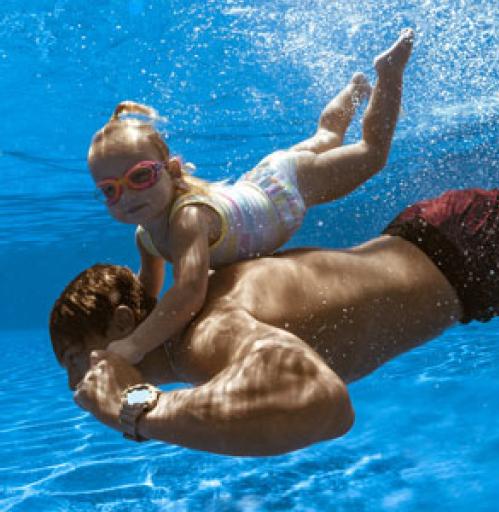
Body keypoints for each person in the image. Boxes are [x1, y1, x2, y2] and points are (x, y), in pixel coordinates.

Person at [50, 62, 499, 456]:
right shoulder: (182, 300)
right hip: (456, 267)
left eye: (81, 361)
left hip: (467, 253)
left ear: (118, 335)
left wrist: (133, 406)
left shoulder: (206, 332)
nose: (82, 384)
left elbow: (319, 404)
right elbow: (160, 282)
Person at [90, 29, 414, 365]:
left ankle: (389, 73)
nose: (126, 196)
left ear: (172, 170)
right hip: (264, 177)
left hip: (286, 189)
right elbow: (148, 293)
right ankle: (354, 91)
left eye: (140, 176)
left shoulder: (188, 219)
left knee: (371, 153)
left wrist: (135, 346)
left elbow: (189, 292)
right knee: (327, 136)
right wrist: (124, 329)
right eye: (110, 190)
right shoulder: (146, 237)